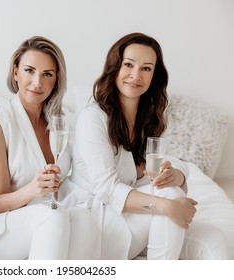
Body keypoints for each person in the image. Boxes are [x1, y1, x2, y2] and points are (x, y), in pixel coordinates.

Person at [64, 32, 233, 259]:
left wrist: (176, 176)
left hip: (138, 220)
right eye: (129, 65)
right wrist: (164, 205)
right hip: (102, 225)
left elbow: (175, 162)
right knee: (171, 196)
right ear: (115, 67)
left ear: (154, 75)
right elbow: (106, 188)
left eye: (146, 68)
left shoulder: (150, 117)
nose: (136, 75)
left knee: (214, 239)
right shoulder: (93, 118)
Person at [0, 35, 98, 259]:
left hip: (42, 217)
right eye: (29, 70)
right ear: (15, 73)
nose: (37, 82)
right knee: (53, 216)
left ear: (56, 80)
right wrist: (34, 189)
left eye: (47, 74)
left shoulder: (59, 122)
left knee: (84, 219)